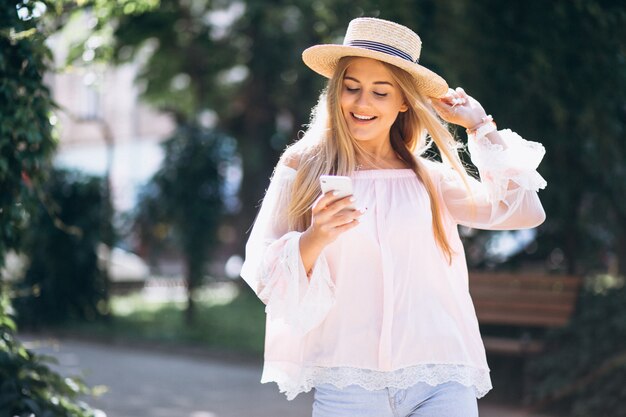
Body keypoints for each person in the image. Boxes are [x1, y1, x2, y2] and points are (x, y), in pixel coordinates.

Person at [240, 17, 546, 417]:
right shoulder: (305, 168)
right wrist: (315, 236)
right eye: (352, 88)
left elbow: (523, 210)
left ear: (403, 101)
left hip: (441, 378)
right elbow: (262, 271)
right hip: (349, 385)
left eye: (380, 92)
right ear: (336, 93)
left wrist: (480, 125)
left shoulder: (427, 179)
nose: (362, 103)